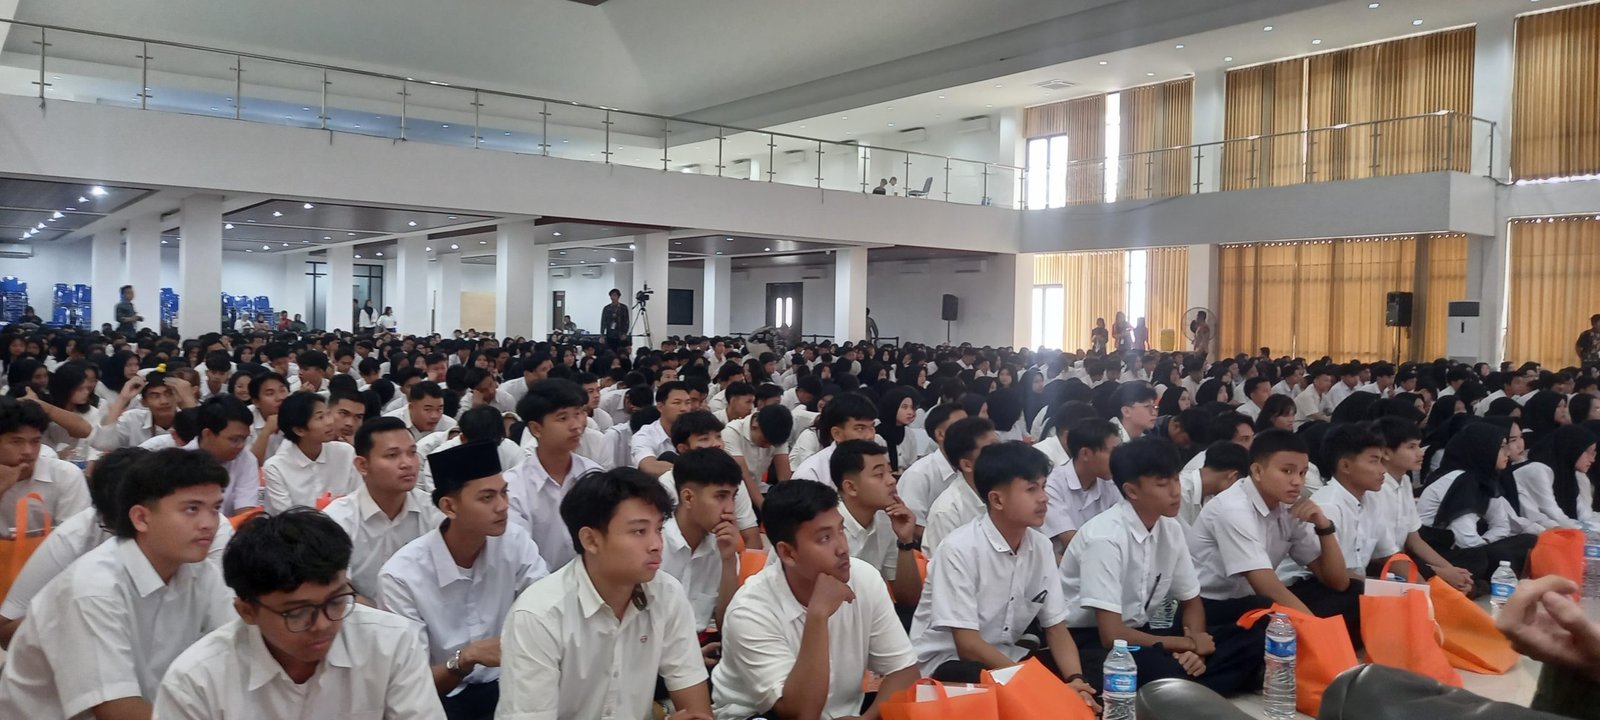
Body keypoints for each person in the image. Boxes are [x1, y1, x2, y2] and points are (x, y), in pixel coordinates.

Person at [0, 448, 232, 719]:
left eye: (215, 508)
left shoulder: (200, 572)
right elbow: (116, 709)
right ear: (141, 518)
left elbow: (236, 648)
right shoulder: (93, 588)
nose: (209, 524)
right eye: (192, 509)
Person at [153, 508, 445, 718]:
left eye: (336, 601)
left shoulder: (390, 643)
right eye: (298, 612)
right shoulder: (197, 681)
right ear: (247, 611)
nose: (322, 624)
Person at [498, 468, 712, 720]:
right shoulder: (539, 615)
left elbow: (697, 711)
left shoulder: (667, 593)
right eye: (639, 531)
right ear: (591, 540)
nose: (656, 544)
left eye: (658, 529)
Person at [1061, 437, 1265, 695]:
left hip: (1143, 634)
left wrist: (1196, 650)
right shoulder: (1105, 537)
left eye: (1176, 480)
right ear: (1132, 491)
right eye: (1162, 484)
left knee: (1256, 632)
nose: (1175, 491)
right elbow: (1110, 635)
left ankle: (1189, 684)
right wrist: (1186, 644)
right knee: (1155, 667)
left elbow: (1191, 601)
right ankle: (1192, 685)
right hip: (1091, 641)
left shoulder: (1171, 528)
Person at [906, 440, 1098, 705]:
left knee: (1095, 665)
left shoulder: (1041, 547)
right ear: (997, 499)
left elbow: (1056, 628)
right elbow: (967, 644)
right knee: (1012, 689)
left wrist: (1076, 680)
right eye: (1031, 489)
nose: (1043, 498)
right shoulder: (959, 549)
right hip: (949, 665)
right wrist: (1036, 684)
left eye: (1043, 486)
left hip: (1006, 659)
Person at [713, 479, 920, 720]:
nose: (842, 548)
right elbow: (800, 714)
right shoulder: (749, 611)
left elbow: (905, 671)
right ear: (788, 553)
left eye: (841, 530)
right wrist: (818, 615)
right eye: (824, 538)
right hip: (759, 715)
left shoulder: (865, 578)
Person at [378, 441, 549, 720]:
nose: (503, 506)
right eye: (487, 498)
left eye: (504, 493)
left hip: (511, 683)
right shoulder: (401, 577)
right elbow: (411, 686)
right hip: (441, 699)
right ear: (449, 507)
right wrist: (467, 657)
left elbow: (546, 609)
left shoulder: (514, 542)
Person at [1186, 429, 1349, 627]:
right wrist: (1320, 629)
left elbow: (1338, 582)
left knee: (1351, 594)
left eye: (1302, 473)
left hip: (1251, 600)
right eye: (1287, 471)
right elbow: (1267, 587)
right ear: (1257, 471)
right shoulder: (1232, 509)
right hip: (1207, 605)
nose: (1297, 481)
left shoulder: (1289, 506)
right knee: (1271, 615)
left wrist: (1324, 526)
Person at [322, 416, 445, 599]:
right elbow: (337, 590)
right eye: (392, 455)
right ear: (362, 465)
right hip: (361, 613)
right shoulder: (337, 520)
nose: (407, 464)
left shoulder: (434, 510)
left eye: (412, 453)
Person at [1417, 421, 1540, 584]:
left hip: (1461, 547)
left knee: (1527, 540)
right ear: (1484, 448)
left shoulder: (1483, 478)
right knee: (1481, 559)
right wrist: (1487, 550)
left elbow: (1501, 524)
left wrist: (1487, 542)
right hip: (1436, 550)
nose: (1508, 452)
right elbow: (1465, 538)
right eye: (1501, 447)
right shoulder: (1461, 480)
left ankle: (1484, 579)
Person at [504, 378, 605, 571]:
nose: (576, 425)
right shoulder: (513, 488)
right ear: (536, 429)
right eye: (563, 418)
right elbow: (520, 557)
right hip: (537, 585)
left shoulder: (594, 475)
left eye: (578, 414)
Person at [1372, 416, 1475, 593]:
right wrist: (1441, 573)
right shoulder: (1375, 488)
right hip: (1382, 563)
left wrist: (1450, 569)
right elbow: (1383, 554)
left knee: (1473, 560)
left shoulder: (1404, 481)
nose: (1420, 453)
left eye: (1419, 446)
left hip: (1403, 558)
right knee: (1433, 578)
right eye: (1411, 447)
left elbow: (1414, 539)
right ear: (1386, 453)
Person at [659, 447, 743, 639]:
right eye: (720, 496)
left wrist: (729, 560)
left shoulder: (723, 546)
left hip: (702, 645)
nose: (730, 509)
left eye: (733, 497)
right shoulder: (655, 543)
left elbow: (728, 627)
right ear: (688, 497)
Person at [830, 439, 923, 608]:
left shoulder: (886, 520)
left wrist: (905, 541)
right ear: (851, 488)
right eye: (879, 475)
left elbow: (909, 599)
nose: (892, 480)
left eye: (890, 472)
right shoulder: (824, 528)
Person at [0, 395, 90, 533]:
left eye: (35, 441)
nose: (28, 451)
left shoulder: (65, 475)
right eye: (16, 442)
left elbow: (76, 537)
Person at [264, 392, 361, 514]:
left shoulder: (345, 452)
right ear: (299, 430)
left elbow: (358, 498)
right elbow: (287, 517)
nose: (330, 422)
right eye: (320, 417)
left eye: (328, 414)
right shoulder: (276, 467)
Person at [922, 416, 1001, 555]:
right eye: (990, 450)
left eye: (999, 447)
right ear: (966, 465)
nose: (1001, 455)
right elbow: (946, 564)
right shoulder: (947, 511)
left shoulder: (1008, 492)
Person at [1041, 418, 1123, 549]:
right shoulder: (1051, 485)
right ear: (1085, 454)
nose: (1118, 459)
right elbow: (1072, 543)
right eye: (1113, 452)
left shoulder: (1110, 484)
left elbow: (1122, 529)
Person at [790, 392, 880, 483]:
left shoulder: (879, 463)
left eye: (872, 427)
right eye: (860, 429)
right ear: (837, 434)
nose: (870, 436)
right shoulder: (811, 473)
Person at [632, 380, 692, 477]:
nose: (684, 408)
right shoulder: (645, 435)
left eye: (688, 403)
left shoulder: (697, 429)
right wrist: (693, 472)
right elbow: (649, 466)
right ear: (660, 407)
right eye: (677, 403)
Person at [386, 380, 457, 441]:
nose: (435, 416)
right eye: (427, 409)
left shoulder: (450, 426)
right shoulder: (390, 425)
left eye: (439, 409)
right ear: (411, 407)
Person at [601, 288, 630, 352]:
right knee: (610, 352)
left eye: (614, 295)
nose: (612, 297)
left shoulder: (623, 308)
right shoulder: (606, 308)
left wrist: (625, 333)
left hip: (620, 334)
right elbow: (603, 322)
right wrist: (602, 335)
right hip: (610, 334)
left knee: (620, 351)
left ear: (618, 296)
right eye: (611, 295)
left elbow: (626, 321)